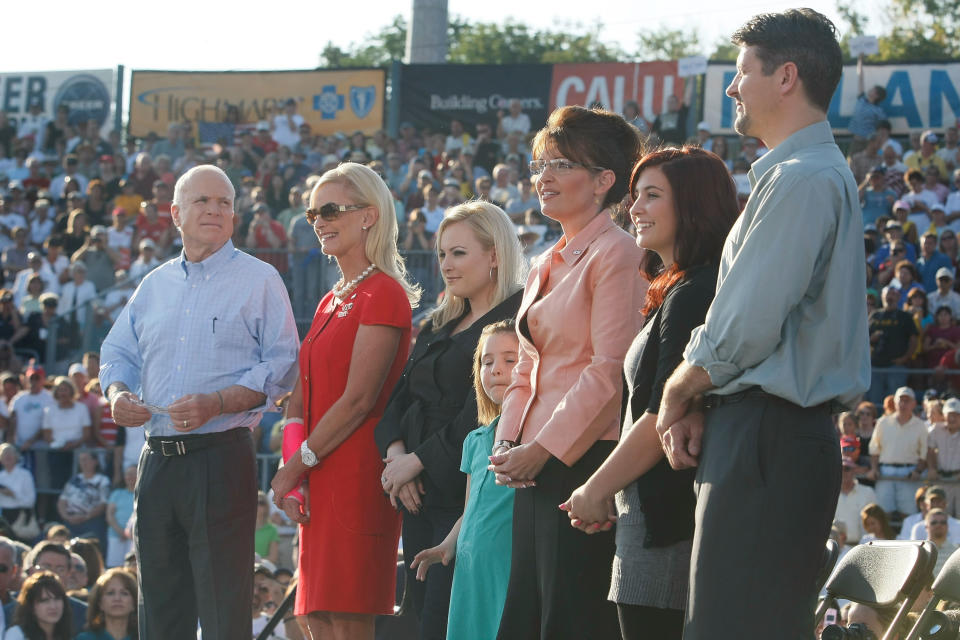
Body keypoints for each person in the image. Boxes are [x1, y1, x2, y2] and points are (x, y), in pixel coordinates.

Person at [654, 10, 870, 639]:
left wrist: (679, 389)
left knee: (731, 627)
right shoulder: (798, 174)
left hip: (770, 435)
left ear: (786, 77)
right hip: (761, 431)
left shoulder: (803, 179)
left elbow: (745, 325)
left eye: (742, 71)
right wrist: (702, 396)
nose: (731, 88)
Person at [99, 164, 299, 640]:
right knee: (160, 609)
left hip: (220, 455)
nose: (215, 209)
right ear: (175, 213)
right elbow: (116, 353)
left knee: (223, 607)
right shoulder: (154, 285)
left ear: (234, 215)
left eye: (224, 202)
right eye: (202, 201)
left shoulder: (260, 279)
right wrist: (117, 394)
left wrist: (218, 401)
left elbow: (283, 363)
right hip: (157, 462)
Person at [557, 147, 739, 640]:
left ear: (695, 204)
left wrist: (594, 488)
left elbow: (663, 412)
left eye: (652, 195)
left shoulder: (697, 291)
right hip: (645, 516)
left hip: (668, 523)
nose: (634, 208)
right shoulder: (676, 288)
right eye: (634, 196)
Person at [487, 106, 646, 640]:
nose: (543, 177)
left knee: (569, 616)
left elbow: (609, 369)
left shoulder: (619, 254)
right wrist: (509, 439)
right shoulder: (545, 260)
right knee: (529, 614)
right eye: (539, 165)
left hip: (580, 460)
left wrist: (544, 447)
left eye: (561, 164)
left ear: (605, 181)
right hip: (533, 461)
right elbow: (527, 366)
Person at [268, 162, 418, 640]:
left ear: (369, 215)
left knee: (347, 615)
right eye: (314, 211)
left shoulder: (385, 293)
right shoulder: (331, 298)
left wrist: (297, 466)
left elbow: (358, 401)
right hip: (318, 470)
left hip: (354, 471)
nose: (319, 221)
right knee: (314, 615)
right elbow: (303, 394)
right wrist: (297, 470)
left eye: (331, 209)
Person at [375, 201, 526, 640]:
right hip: (416, 493)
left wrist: (417, 462)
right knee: (425, 615)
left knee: (454, 618)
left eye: (458, 253)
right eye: (442, 254)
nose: (446, 264)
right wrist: (397, 459)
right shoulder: (440, 321)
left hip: (468, 493)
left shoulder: (517, 320)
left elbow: (482, 411)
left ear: (494, 254)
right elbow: (398, 398)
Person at [410, 320, 520, 640]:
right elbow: (471, 507)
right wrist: (448, 544)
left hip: (507, 562)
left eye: (510, 360)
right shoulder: (474, 439)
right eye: (487, 362)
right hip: (472, 564)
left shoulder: (535, 437)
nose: (496, 369)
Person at [868, 386, 928, 517]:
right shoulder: (882, 422)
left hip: (909, 474)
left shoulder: (920, 425)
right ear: (894, 402)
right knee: (883, 515)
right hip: (885, 472)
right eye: (900, 400)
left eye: (907, 400)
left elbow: (924, 454)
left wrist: (917, 471)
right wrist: (874, 469)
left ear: (914, 404)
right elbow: (874, 450)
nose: (903, 404)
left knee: (908, 515)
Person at [55, 452, 109, 547]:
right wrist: (66, 517)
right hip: (70, 522)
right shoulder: (74, 479)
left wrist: (86, 516)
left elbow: (103, 503)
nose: (83, 463)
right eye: (81, 460)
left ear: (95, 461)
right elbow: (62, 500)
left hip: (91, 522)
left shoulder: (103, 480)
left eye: (86, 459)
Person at [3, 571, 72, 640]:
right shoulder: (17, 634)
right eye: (44, 600)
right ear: (31, 606)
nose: (53, 606)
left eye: (57, 599)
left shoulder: (66, 634)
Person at [75, 567, 137, 640]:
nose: (117, 598)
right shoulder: (84, 638)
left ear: (134, 603)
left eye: (124, 593)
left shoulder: (145, 637)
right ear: (99, 602)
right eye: (110, 593)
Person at [834, 457, 878, 543]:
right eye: (840, 469)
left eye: (847, 469)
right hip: (837, 547)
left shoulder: (868, 492)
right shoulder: (830, 493)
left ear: (854, 471)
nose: (843, 472)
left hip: (863, 546)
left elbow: (876, 519)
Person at [929, 399, 960, 516]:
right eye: (949, 415)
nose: (952, 418)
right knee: (941, 515)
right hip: (941, 479)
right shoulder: (936, 430)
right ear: (944, 416)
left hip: (959, 480)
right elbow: (930, 451)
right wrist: (932, 468)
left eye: (956, 415)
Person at [103, 467, 135, 569]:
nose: (130, 477)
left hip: (134, 538)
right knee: (114, 568)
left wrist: (130, 534)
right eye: (127, 474)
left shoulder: (144, 494)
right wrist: (122, 532)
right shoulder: (117, 493)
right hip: (116, 535)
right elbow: (110, 515)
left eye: (133, 474)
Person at [0, 444, 35, 534]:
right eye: (4, 453)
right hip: (2, 517)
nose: (7, 456)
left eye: (10, 453)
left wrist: (12, 494)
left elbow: (30, 501)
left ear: (17, 456)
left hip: (20, 517)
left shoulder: (25, 475)